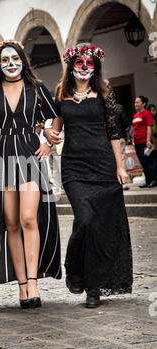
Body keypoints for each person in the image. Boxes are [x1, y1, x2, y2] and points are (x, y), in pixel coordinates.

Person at [0, 40, 61, 308]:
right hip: (0, 154)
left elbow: (55, 116)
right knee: (10, 222)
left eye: (15, 59)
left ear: (23, 60)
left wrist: (47, 140)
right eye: (5, 60)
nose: (11, 64)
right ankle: (22, 286)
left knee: (28, 218)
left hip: (29, 151)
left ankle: (33, 282)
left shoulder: (36, 88)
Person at [45, 43, 133, 308]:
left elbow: (114, 133)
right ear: (71, 67)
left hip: (103, 165)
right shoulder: (61, 94)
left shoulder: (105, 93)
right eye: (79, 64)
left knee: (99, 224)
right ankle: (76, 266)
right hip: (74, 168)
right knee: (85, 219)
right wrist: (47, 137)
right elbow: (55, 129)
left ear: (95, 67)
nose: (84, 69)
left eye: (89, 64)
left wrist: (120, 167)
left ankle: (93, 287)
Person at [132, 96, 156, 188]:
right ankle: (148, 181)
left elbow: (149, 128)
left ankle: (154, 179)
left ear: (143, 104)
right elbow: (135, 129)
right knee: (143, 163)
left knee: (146, 162)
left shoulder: (147, 114)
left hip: (144, 142)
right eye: (135, 102)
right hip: (137, 143)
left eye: (137, 102)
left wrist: (148, 141)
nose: (135, 104)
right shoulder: (136, 115)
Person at [116, 103, 131, 190]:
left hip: (107, 138)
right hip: (120, 136)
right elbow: (126, 123)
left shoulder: (102, 107)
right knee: (121, 158)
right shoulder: (119, 107)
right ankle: (123, 182)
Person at [148, 104, 157, 187]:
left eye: (155, 110)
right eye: (153, 110)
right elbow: (154, 131)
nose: (154, 112)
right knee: (154, 162)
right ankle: (154, 179)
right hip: (154, 145)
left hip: (152, 145)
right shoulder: (152, 119)